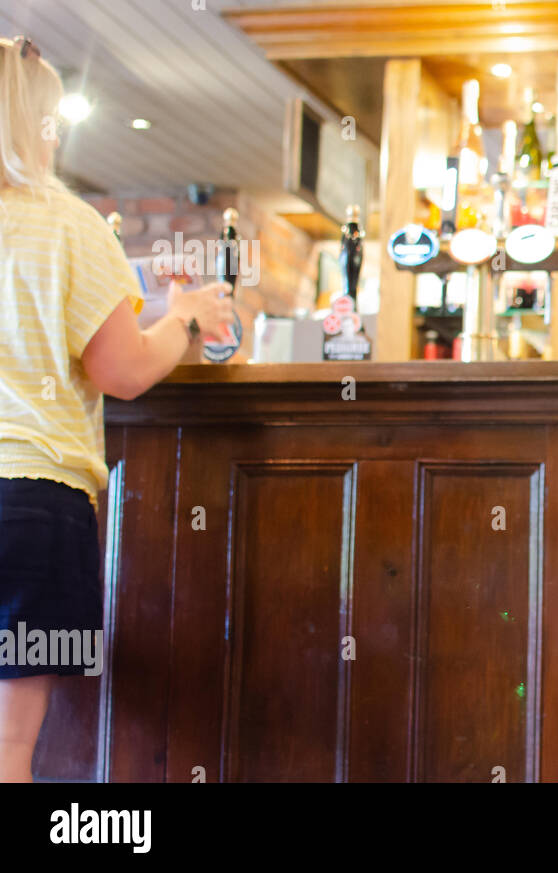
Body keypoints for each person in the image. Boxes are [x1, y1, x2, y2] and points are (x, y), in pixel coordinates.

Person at [0, 36, 235, 782]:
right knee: (6, 750)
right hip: (31, 505)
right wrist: (187, 315)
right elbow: (124, 369)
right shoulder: (67, 225)